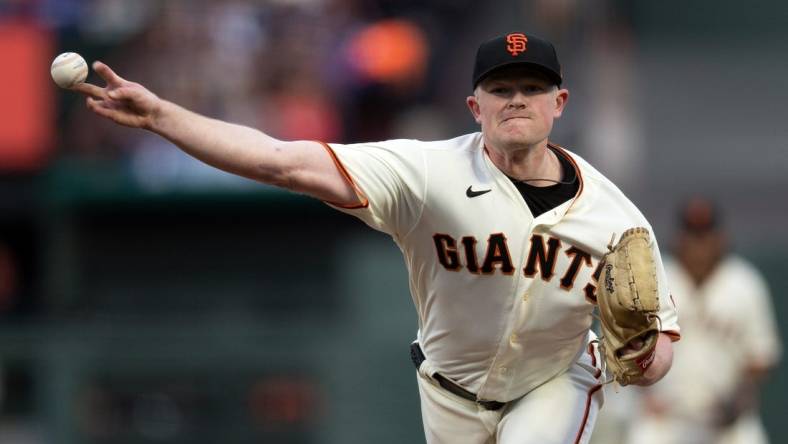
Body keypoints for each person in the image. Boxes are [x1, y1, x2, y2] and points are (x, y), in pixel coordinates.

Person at [73, 32, 680, 444]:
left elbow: (659, 356)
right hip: (449, 392)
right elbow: (282, 161)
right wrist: (161, 117)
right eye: (501, 88)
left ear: (560, 103)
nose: (516, 99)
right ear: (474, 106)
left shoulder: (617, 220)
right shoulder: (426, 173)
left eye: (532, 87)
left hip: (556, 379)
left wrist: (642, 357)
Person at [626, 198, 781, 444]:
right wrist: (641, 388)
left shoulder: (744, 283)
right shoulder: (651, 281)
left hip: (726, 420)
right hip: (665, 418)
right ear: (678, 239)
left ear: (720, 239)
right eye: (692, 235)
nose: (700, 245)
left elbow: (762, 356)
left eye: (705, 235)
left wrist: (740, 397)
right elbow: (624, 350)